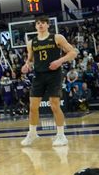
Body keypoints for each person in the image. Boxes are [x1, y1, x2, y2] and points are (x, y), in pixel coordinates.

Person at [20, 16, 78, 147]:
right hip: (38, 75)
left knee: (54, 105)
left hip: (54, 75)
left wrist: (59, 61)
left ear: (48, 25)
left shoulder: (57, 38)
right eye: (38, 23)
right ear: (35, 26)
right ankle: (33, 133)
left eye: (43, 23)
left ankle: (61, 135)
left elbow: (73, 53)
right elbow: (30, 59)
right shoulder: (31, 43)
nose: (40, 25)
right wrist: (27, 65)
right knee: (33, 107)